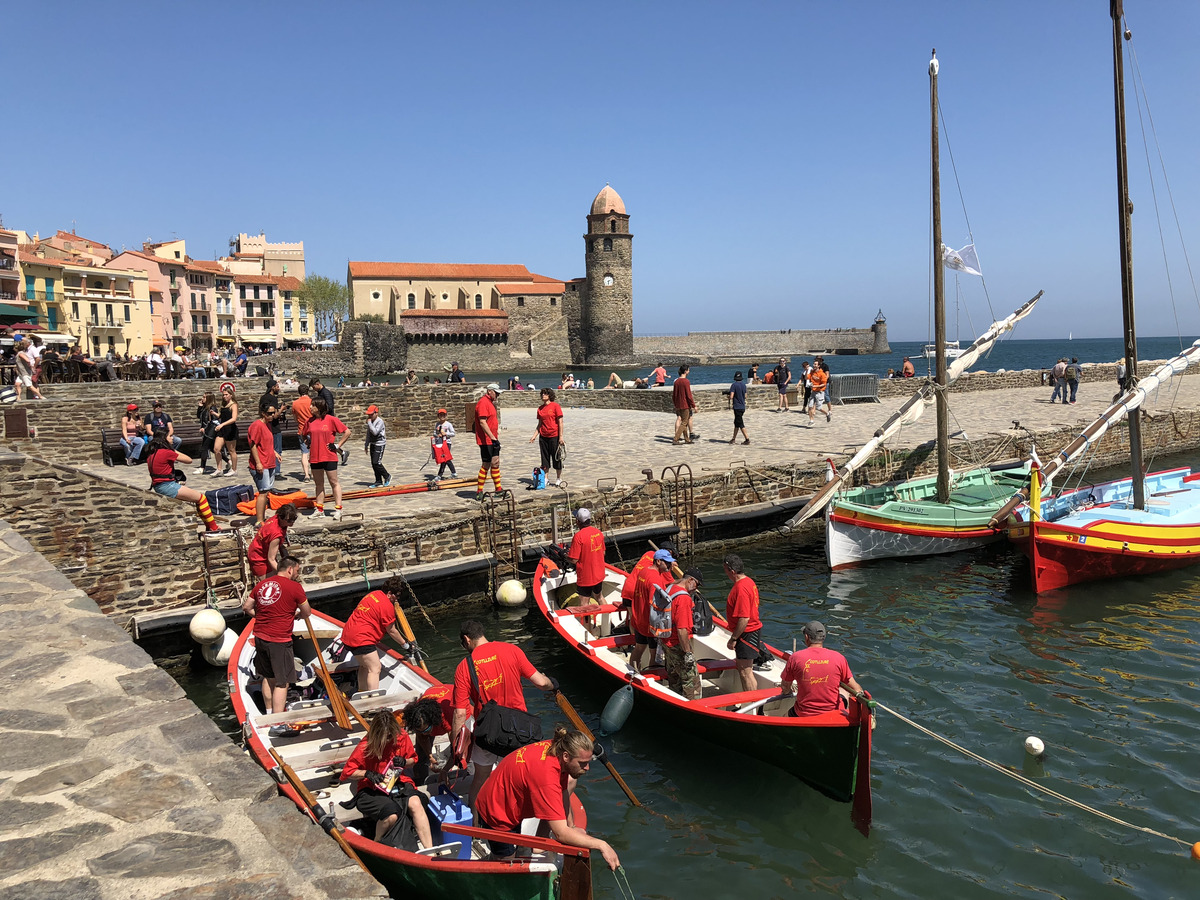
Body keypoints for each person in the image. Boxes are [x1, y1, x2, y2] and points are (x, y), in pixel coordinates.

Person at [474, 726, 621, 871]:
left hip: (509, 797)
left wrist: (572, 826)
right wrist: (602, 845)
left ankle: (537, 846)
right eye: (582, 763)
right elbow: (561, 833)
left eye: (588, 762)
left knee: (571, 781)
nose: (587, 768)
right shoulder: (547, 778)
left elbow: (562, 792)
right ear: (566, 756)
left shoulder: (557, 747)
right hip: (497, 811)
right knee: (506, 866)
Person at [451, 619, 556, 808]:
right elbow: (541, 683)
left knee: (480, 779)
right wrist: (553, 684)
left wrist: (456, 749)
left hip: (487, 732)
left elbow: (459, 714)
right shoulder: (511, 650)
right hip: (518, 731)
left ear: (466, 640)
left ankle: (476, 829)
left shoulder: (464, 667)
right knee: (521, 777)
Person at [339, 708, 434, 847]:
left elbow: (413, 759)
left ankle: (429, 849)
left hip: (397, 782)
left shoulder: (401, 735)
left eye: (391, 735)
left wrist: (404, 762)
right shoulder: (366, 746)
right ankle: (377, 842)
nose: (390, 739)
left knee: (416, 804)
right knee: (392, 813)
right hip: (372, 788)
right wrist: (367, 773)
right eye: (387, 736)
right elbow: (347, 772)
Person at [241, 553, 310, 721]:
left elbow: (247, 607)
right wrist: (298, 615)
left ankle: (270, 713)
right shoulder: (295, 587)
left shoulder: (262, 585)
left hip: (260, 637)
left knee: (268, 677)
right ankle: (278, 722)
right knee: (282, 682)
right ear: (290, 569)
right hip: (279, 640)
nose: (298, 575)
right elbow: (307, 611)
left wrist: (262, 617)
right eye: (297, 571)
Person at [780, 621, 868, 717]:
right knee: (844, 690)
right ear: (823, 638)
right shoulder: (838, 658)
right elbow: (856, 689)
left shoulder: (796, 657)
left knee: (784, 715)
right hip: (833, 714)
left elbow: (785, 686)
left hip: (804, 714)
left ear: (806, 637)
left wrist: (788, 692)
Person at [341, 578, 411, 694]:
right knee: (375, 668)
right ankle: (374, 701)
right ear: (389, 593)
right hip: (362, 639)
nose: (397, 599)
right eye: (396, 596)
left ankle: (362, 691)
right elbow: (392, 631)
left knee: (364, 666)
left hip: (348, 635)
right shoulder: (387, 607)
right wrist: (405, 645)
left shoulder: (373, 594)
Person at [144, 429, 219, 531]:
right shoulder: (167, 452)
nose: (172, 438)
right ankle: (214, 528)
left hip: (159, 485)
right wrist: (172, 450)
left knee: (196, 499)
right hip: (167, 485)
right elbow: (189, 460)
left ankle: (209, 527)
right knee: (201, 498)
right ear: (164, 439)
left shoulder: (152, 453)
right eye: (170, 436)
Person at [654, 568, 704, 700]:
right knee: (691, 682)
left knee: (674, 677)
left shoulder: (670, 588)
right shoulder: (683, 598)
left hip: (666, 641)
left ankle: (675, 701)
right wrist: (687, 653)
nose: (696, 589)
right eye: (697, 585)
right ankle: (692, 707)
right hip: (677, 645)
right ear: (690, 580)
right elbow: (682, 629)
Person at [628, 548, 675, 673]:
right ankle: (652, 679)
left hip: (638, 620)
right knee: (654, 656)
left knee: (638, 648)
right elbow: (656, 605)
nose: (670, 566)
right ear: (658, 561)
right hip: (650, 624)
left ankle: (632, 672)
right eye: (667, 563)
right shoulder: (656, 579)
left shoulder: (644, 571)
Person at [723, 553, 764, 692]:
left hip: (746, 634)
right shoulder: (749, 582)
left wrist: (734, 638)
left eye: (726, 570)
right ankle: (751, 704)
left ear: (732, 571)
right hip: (749, 632)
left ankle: (752, 706)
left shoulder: (741, 588)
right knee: (743, 669)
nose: (726, 574)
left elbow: (744, 618)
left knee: (746, 672)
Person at [303, 396, 349, 520]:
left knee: (334, 482)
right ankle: (319, 509)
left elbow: (347, 432)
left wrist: (338, 445)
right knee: (319, 484)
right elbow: (304, 434)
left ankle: (338, 509)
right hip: (315, 457)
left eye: (313, 405)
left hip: (329, 456)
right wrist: (308, 442)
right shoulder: (309, 421)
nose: (310, 407)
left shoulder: (331, 419)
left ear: (319, 407)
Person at [403, 685, 454, 782]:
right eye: (419, 731)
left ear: (433, 723)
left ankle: (466, 773)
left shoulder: (446, 718)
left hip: (452, 705)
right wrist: (429, 756)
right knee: (421, 754)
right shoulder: (418, 716)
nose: (424, 734)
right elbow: (422, 737)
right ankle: (420, 779)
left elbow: (456, 747)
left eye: (426, 730)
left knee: (463, 751)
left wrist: (445, 769)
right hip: (431, 701)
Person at [247, 503, 298, 580]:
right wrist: (284, 574)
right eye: (289, 520)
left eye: (294, 518)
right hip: (259, 558)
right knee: (270, 584)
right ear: (281, 518)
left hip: (258, 548)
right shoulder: (276, 535)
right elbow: (271, 559)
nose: (292, 522)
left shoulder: (276, 518)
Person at [247, 403, 278, 525]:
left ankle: (263, 518)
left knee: (267, 492)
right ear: (263, 413)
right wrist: (258, 463)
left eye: (273, 413)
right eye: (270, 413)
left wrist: (275, 453)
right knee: (263, 491)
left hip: (269, 462)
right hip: (261, 464)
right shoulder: (257, 425)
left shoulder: (267, 425)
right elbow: (253, 445)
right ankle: (259, 520)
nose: (272, 415)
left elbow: (265, 443)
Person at [473, 383, 503, 501]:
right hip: (486, 440)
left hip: (493, 439)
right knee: (486, 464)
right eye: (496, 393)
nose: (498, 395)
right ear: (490, 391)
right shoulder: (483, 403)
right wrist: (492, 437)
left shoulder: (490, 403)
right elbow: (482, 422)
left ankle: (498, 489)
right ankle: (479, 491)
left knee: (495, 462)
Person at [567, 508, 605, 600]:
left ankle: (585, 615)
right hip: (599, 574)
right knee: (599, 597)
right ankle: (607, 613)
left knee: (584, 603)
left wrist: (566, 556)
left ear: (577, 521)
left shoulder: (578, 536)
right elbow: (603, 552)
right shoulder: (598, 533)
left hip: (586, 576)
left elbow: (574, 559)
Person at [529, 388, 564, 486]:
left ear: (549, 395)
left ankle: (558, 478)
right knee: (544, 459)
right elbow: (539, 424)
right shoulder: (540, 409)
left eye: (545, 394)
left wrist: (561, 437)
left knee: (556, 457)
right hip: (543, 437)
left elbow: (560, 422)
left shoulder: (555, 406)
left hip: (554, 436)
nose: (543, 395)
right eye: (542, 394)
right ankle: (546, 478)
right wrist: (534, 436)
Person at [259, 379, 287, 477]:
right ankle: (277, 472)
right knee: (277, 449)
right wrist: (282, 409)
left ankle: (270, 468)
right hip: (274, 427)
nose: (278, 388)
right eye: (277, 386)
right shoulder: (272, 399)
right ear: (273, 387)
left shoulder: (262, 398)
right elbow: (274, 416)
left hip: (265, 426)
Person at [213, 385, 240, 477]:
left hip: (230, 429)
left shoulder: (233, 405)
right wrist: (214, 414)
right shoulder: (224, 405)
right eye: (223, 395)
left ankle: (234, 469)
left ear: (231, 395)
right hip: (222, 429)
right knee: (216, 449)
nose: (224, 396)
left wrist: (222, 424)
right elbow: (221, 416)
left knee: (231, 450)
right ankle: (219, 469)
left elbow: (233, 418)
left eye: (226, 394)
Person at [364, 405, 390, 487]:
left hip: (379, 444)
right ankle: (378, 481)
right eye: (369, 415)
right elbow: (369, 433)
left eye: (371, 414)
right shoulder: (370, 422)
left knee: (377, 462)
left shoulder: (380, 422)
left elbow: (375, 432)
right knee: (373, 463)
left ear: (376, 413)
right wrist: (366, 444)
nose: (370, 416)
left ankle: (387, 476)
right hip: (373, 444)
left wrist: (369, 423)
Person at [292, 384, 314, 482]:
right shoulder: (312, 402)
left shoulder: (295, 403)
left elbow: (295, 418)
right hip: (313, 429)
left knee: (304, 453)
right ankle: (313, 473)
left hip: (301, 429)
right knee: (314, 453)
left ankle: (306, 475)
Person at [672, 364, 697, 445]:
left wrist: (675, 404)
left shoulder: (676, 381)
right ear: (685, 371)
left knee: (684, 421)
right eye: (688, 370)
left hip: (678, 404)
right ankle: (676, 439)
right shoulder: (686, 381)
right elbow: (689, 395)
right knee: (684, 422)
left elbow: (674, 395)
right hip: (685, 404)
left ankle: (687, 439)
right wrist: (694, 405)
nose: (689, 371)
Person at [432, 408, 457, 480]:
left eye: (443, 415)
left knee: (445, 458)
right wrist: (437, 434)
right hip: (440, 443)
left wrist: (446, 434)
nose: (442, 416)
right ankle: (453, 473)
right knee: (444, 458)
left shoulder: (448, 424)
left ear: (446, 415)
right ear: (438, 416)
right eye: (440, 415)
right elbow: (434, 433)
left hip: (447, 443)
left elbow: (453, 433)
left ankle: (440, 475)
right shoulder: (437, 424)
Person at [806, 363, 831, 427]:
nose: (814, 365)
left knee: (818, 408)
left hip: (820, 392)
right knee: (810, 406)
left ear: (818, 366)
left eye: (815, 364)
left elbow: (824, 384)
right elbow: (807, 378)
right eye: (813, 364)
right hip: (813, 392)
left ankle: (827, 413)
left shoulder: (822, 374)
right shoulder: (812, 372)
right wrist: (807, 370)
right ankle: (811, 421)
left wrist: (816, 386)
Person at [728, 371, 749, 445]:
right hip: (742, 406)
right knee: (736, 423)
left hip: (737, 407)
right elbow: (745, 396)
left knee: (740, 423)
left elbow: (731, 396)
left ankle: (747, 439)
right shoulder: (744, 385)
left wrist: (729, 396)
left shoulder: (734, 385)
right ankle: (733, 438)